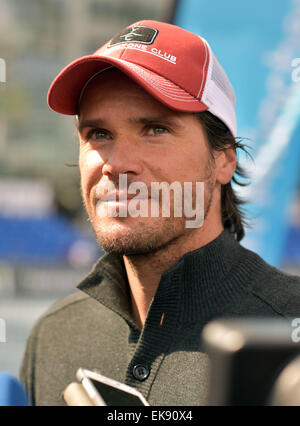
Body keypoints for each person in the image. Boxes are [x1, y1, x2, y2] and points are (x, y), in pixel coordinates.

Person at [20, 20, 300, 406]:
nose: (116, 164)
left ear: (224, 161)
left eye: (155, 129)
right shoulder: (54, 336)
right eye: (98, 134)